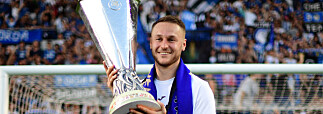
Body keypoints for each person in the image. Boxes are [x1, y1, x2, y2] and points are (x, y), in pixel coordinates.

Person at [104, 15, 216, 114]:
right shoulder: (137, 92)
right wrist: (120, 93)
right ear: (151, 43)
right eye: (159, 39)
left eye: (171, 40)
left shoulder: (200, 89)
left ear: (183, 45)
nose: (164, 45)